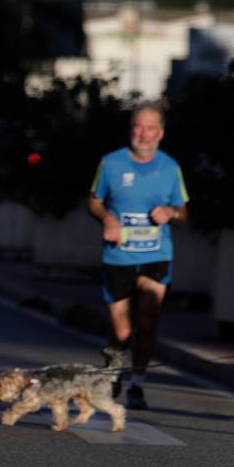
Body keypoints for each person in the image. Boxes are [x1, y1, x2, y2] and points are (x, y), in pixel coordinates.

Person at [87, 102, 189, 411]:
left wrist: (170, 212)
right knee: (122, 331)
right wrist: (107, 219)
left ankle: (138, 385)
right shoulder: (111, 163)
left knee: (147, 320)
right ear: (132, 129)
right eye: (138, 127)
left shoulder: (170, 168)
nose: (143, 134)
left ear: (160, 133)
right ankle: (114, 363)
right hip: (119, 257)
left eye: (149, 128)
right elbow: (94, 202)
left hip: (156, 255)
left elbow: (183, 212)